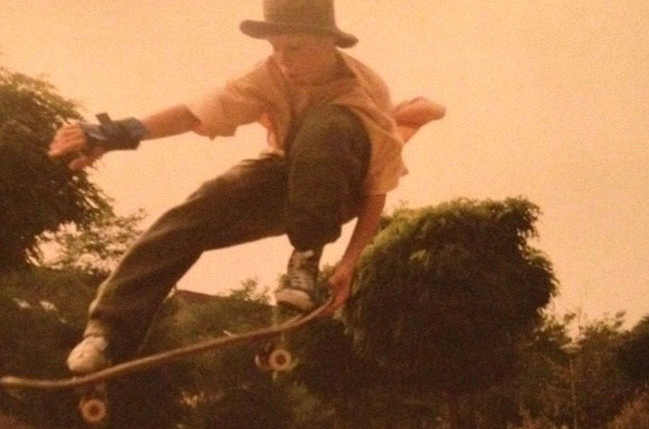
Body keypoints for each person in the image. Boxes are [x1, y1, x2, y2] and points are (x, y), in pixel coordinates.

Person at [50, 0, 445, 375]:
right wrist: (114, 134)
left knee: (328, 125)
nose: (284, 62)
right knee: (186, 218)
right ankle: (107, 335)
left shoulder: (367, 92)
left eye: (295, 48)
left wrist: (349, 261)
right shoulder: (267, 75)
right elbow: (194, 113)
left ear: (328, 43)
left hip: (341, 187)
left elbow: (377, 189)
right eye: (276, 49)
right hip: (281, 174)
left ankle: (305, 259)